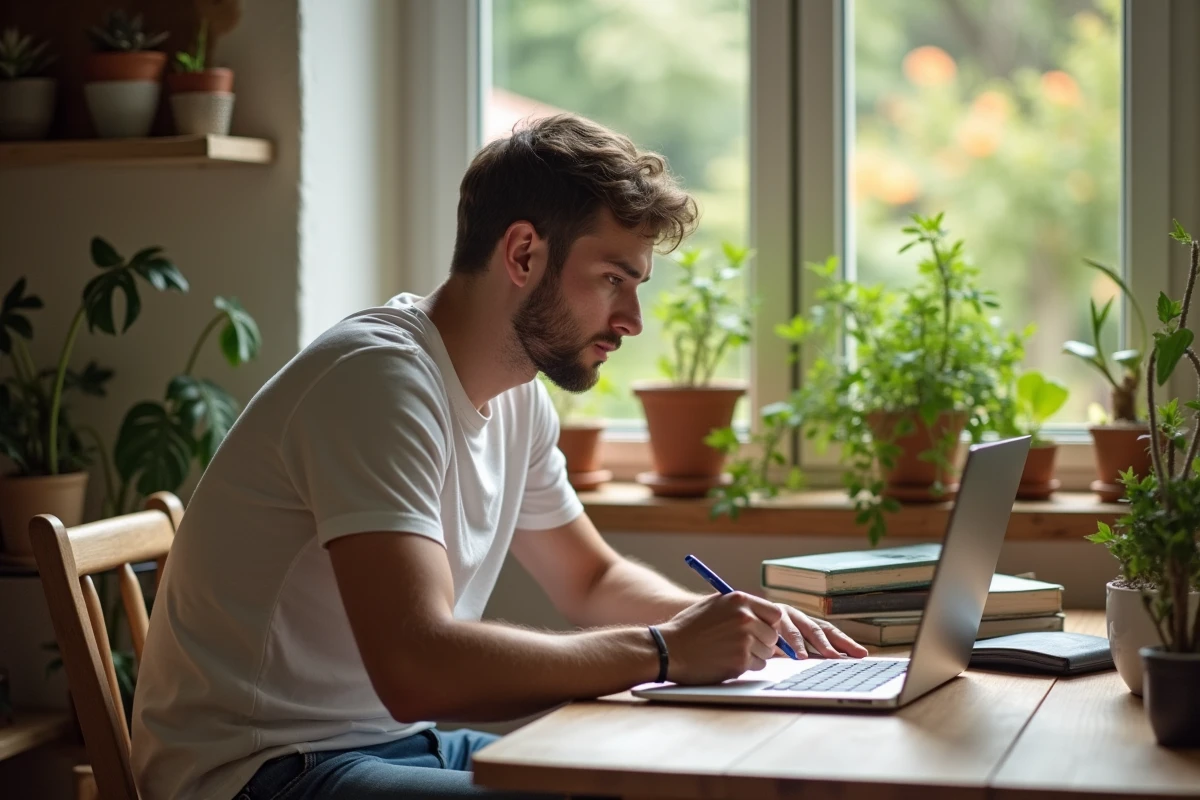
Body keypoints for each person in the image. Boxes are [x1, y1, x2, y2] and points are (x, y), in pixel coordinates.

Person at [131, 113, 868, 800]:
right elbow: (417, 667)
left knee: (648, 778)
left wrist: (737, 629)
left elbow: (590, 577)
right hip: (262, 771)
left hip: (393, 744)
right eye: (613, 279)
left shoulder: (519, 399)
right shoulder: (377, 381)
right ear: (522, 253)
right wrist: (668, 650)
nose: (632, 321)